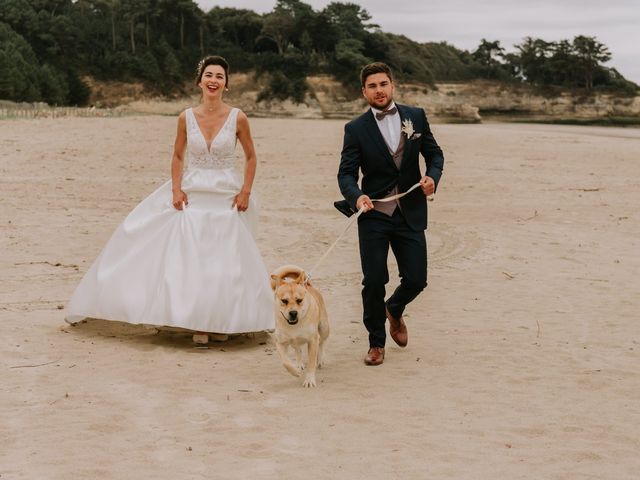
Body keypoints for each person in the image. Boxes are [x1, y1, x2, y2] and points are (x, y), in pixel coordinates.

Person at [66, 55, 274, 344]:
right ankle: (198, 324)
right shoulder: (185, 117)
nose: (214, 80)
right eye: (209, 75)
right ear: (199, 81)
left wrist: (246, 191)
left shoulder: (238, 117)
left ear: (226, 84)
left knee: (225, 260)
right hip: (194, 191)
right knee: (192, 257)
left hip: (226, 195)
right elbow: (178, 156)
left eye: (220, 76)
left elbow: (251, 157)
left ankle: (221, 323)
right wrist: (176, 189)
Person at [337, 62, 444, 366]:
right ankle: (376, 343)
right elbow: (346, 174)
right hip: (373, 214)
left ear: (392, 86)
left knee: (417, 279)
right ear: (364, 92)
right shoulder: (355, 129)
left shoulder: (416, 116)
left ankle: (394, 309)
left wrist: (432, 178)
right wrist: (357, 197)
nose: (379, 90)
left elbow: (435, 154)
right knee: (373, 280)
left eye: (383, 84)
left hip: (410, 210)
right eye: (372, 86)